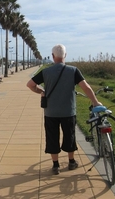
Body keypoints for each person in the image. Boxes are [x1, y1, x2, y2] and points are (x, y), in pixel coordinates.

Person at [26, 44, 102, 175]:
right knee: (69, 136)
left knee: (52, 137)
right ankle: (71, 162)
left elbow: (30, 85)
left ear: (52, 56)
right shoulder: (73, 70)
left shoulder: (46, 72)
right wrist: (95, 102)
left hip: (50, 112)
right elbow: (86, 87)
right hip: (68, 111)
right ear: (65, 55)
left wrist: (41, 91)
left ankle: (55, 166)